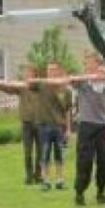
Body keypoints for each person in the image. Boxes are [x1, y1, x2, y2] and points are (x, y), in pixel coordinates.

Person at [68, 53, 105, 206]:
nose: (88, 66)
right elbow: (71, 81)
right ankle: (79, 192)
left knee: (103, 161)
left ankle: (101, 192)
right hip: (86, 125)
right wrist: (83, 76)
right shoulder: (82, 82)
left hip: (103, 126)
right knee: (84, 160)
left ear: (98, 64)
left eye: (91, 63)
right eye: (86, 63)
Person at [0, 65, 42, 185]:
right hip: (27, 123)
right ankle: (29, 177)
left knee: (40, 152)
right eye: (26, 74)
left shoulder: (40, 86)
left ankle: (38, 176)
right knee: (28, 152)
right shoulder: (22, 88)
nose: (26, 76)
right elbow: (9, 89)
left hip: (39, 123)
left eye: (29, 74)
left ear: (36, 75)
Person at [34, 63, 72, 192]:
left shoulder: (65, 90)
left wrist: (68, 129)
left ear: (58, 71)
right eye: (49, 70)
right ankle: (45, 181)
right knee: (44, 154)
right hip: (44, 126)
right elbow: (28, 83)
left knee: (60, 155)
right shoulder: (41, 85)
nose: (51, 72)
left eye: (54, 70)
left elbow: (67, 111)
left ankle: (60, 180)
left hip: (59, 127)